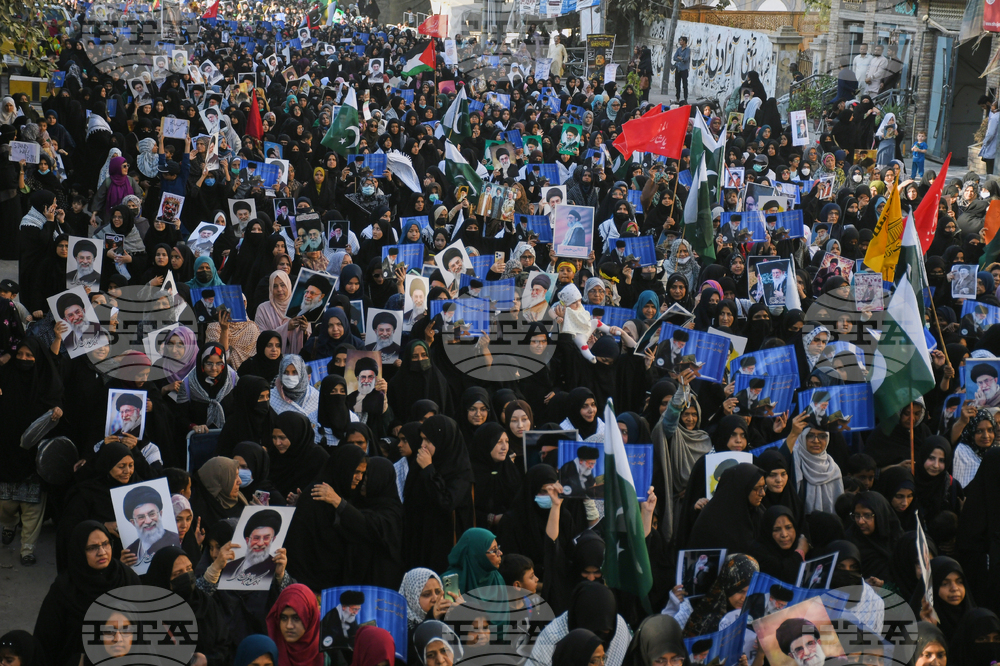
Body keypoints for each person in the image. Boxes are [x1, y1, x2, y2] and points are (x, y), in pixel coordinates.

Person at [672, 37, 690, 103]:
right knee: (677, 84)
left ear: (685, 42)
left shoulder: (687, 50)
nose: (680, 42)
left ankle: (685, 98)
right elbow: (674, 57)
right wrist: (680, 59)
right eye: (680, 40)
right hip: (678, 68)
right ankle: (677, 98)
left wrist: (680, 58)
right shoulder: (679, 49)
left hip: (684, 69)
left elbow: (686, 59)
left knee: (685, 85)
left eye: (681, 40)